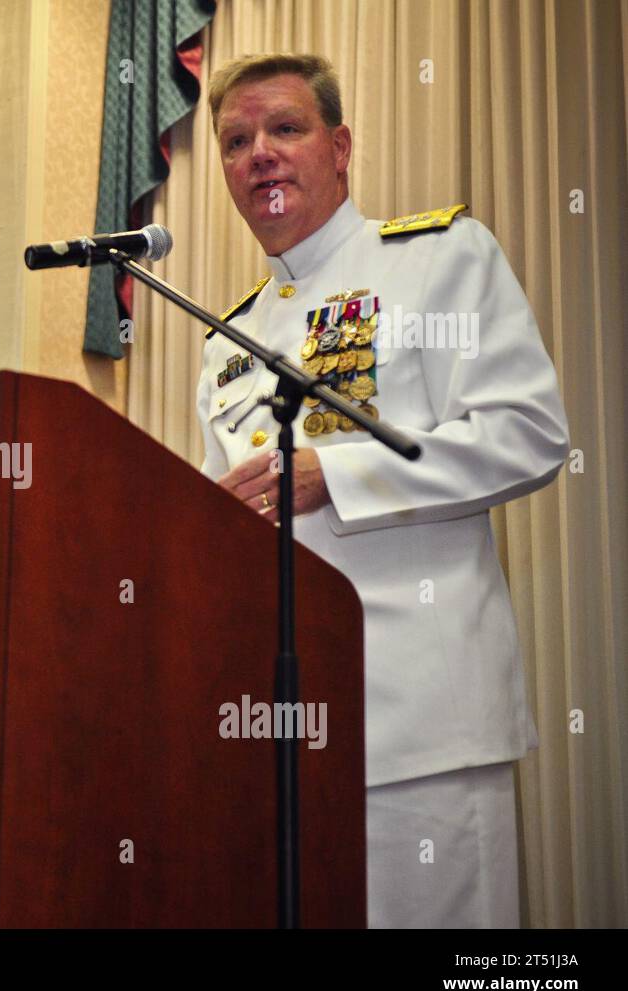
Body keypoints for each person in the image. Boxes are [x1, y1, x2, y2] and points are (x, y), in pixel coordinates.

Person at [198, 53, 569, 928]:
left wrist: (340, 475)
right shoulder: (224, 340)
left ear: (341, 147)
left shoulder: (439, 260)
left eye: (285, 129)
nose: (260, 154)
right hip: (280, 742)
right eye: (236, 141)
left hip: (420, 730)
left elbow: (529, 434)